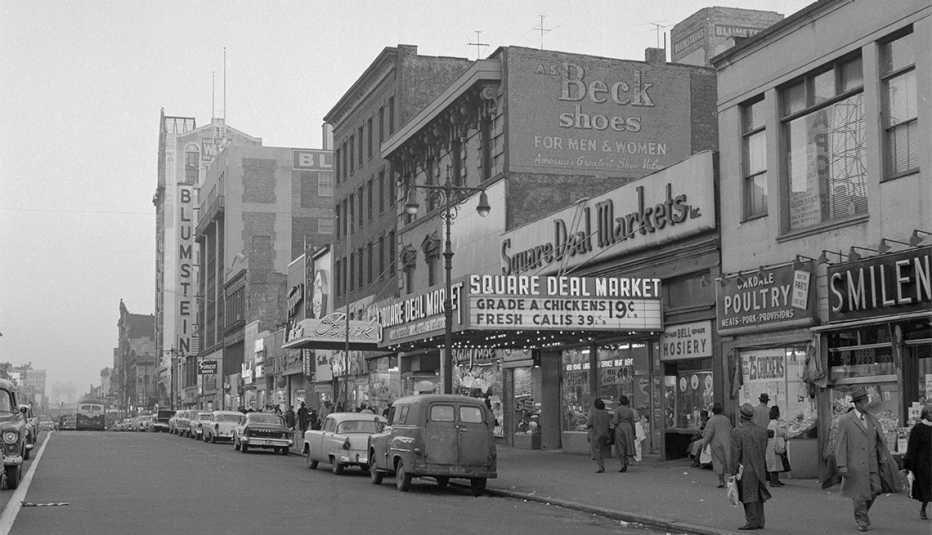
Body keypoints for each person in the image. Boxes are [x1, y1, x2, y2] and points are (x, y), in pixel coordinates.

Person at [835, 387, 892, 532]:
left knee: (876, 489)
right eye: (865, 400)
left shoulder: (872, 418)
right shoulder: (845, 420)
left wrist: (884, 455)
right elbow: (840, 444)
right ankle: (861, 520)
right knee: (859, 495)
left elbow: (879, 439)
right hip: (855, 463)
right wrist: (842, 465)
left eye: (867, 400)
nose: (867, 403)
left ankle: (862, 512)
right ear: (858, 403)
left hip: (872, 462)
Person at [731, 403, 771, 531]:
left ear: (741, 416)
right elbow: (763, 449)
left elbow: (736, 453)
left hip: (745, 467)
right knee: (758, 494)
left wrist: (732, 470)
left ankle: (751, 521)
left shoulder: (738, 432)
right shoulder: (762, 431)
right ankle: (760, 520)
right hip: (760, 466)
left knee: (747, 495)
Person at [903, 405, 932, 520]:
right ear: (925, 414)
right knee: (926, 487)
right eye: (930, 412)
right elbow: (912, 447)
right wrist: (908, 465)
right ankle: (923, 508)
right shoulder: (918, 428)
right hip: (923, 463)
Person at [699, 403, 733, 488]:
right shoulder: (726, 419)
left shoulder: (711, 421)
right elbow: (731, 430)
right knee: (726, 461)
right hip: (727, 443)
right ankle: (729, 480)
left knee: (718, 462)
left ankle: (721, 481)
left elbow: (709, 434)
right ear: (721, 410)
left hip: (716, 444)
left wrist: (705, 445)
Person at [587, 398, 612, 473]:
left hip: (596, 434)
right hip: (605, 433)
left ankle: (601, 466)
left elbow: (589, 424)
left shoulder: (594, 413)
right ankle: (602, 464)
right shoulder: (606, 413)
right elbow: (609, 424)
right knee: (601, 450)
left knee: (596, 451)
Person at [612, 395, 636, 472]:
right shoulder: (630, 411)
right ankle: (627, 461)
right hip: (628, 428)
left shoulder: (617, 410)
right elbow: (632, 422)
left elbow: (615, 421)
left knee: (621, 446)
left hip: (620, 428)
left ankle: (623, 464)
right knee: (627, 446)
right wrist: (634, 433)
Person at [765, 405, 787, 487]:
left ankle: (776, 480)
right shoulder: (774, 424)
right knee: (774, 465)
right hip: (774, 446)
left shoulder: (772, 423)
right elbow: (775, 436)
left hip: (771, 446)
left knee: (776, 464)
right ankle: (774, 481)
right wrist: (778, 447)